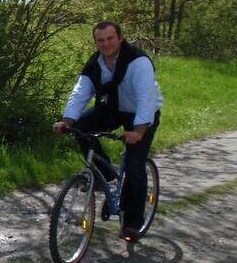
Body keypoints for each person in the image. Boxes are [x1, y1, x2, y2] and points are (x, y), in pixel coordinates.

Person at [53, 21, 162, 241]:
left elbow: (146, 98)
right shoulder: (95, 63)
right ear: (96, 42)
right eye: (100, 40)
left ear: (120, 38)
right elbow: (80, 92)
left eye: (110, 38)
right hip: (112, 108)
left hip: (142, 114)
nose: (106, 44)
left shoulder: (138, 61)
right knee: (80, 128)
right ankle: (104, 174)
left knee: (134, 166)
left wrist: (138, 132)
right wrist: (66, 120)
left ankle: (132, 222)